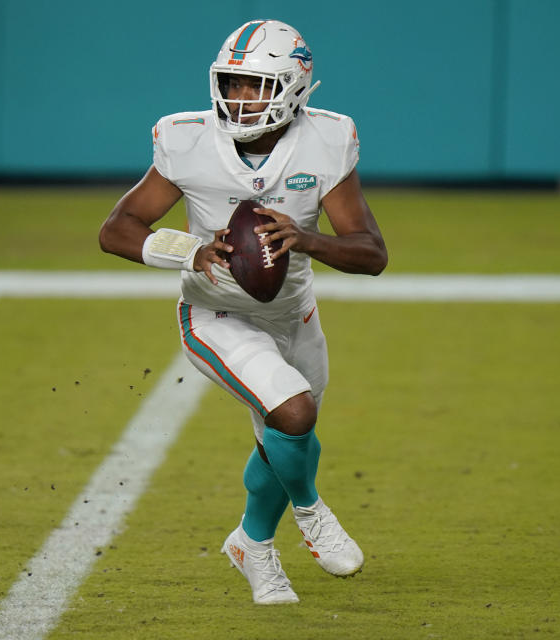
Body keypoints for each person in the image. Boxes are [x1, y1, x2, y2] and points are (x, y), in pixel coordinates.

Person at [99, 19, 387, 605]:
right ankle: (311, 511)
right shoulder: (187, 139)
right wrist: (190, 250)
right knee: (296, 413)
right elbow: (117, 229)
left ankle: (251, 545)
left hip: (294, 315)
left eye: (256, 85)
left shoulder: (326, 142)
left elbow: (371, 253)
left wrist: (309, 241)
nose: (239, 98)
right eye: (232, 84)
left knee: (285, 437)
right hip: (214, 315)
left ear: (294, 87)